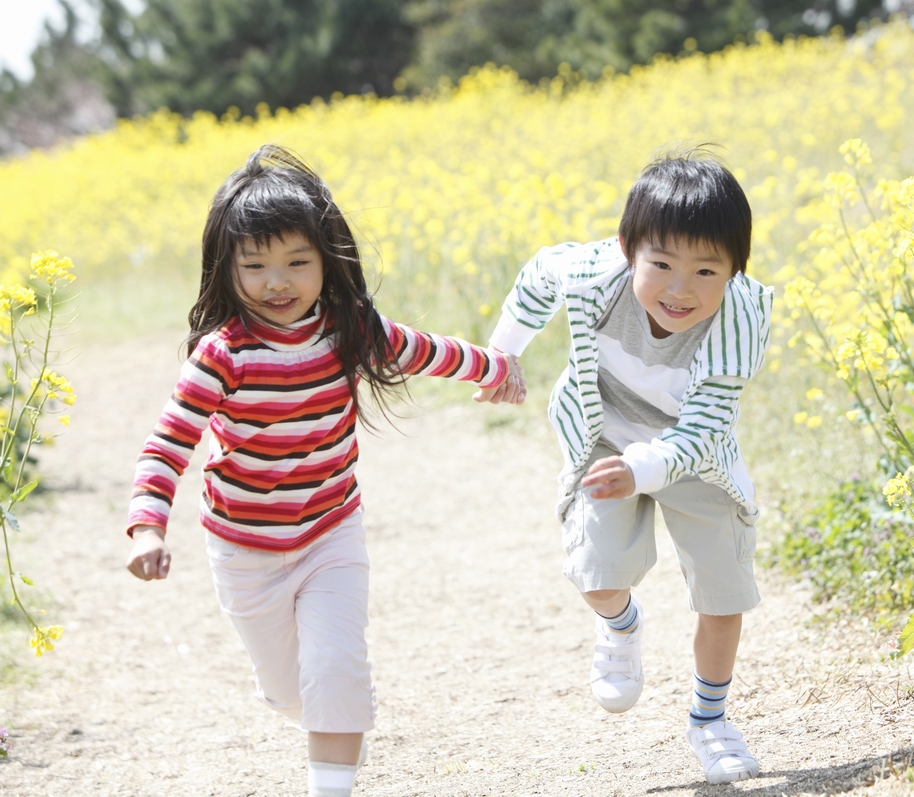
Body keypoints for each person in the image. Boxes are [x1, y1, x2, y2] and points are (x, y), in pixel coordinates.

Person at [123, 144, 525, 797]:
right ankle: (316, 709)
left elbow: (429, 350)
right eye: (255, 266)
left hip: (331, 534)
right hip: (243, 548)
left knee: (336, 670)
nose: (276, 282)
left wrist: (496, 367)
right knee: (292, 692)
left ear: (326, 261)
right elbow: (167, 445)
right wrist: (146, 527)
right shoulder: (221, 358)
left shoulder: (350, 331)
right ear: (226, 270)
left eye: (296, 263)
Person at [481, 147, 772, 784]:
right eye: (662, 264)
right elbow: (538, 275)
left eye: (705, 271)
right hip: (603, 441)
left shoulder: (740, 317)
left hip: (694, 457)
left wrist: (646, 470)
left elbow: (705, 426)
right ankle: (622, 623)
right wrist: (502, 356)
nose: (680, 289)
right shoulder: (592, 272)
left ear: (734, 272)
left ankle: (710, 720)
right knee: (593, 572)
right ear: (626, 250)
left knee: (723, 594)